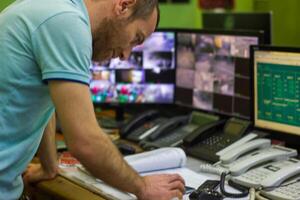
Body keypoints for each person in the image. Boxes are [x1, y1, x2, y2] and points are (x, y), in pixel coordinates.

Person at [0, 0, 185, 199]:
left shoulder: (53, 8)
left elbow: (44, 100)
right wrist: (142, 187)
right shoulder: (67, 22)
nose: (125, 55)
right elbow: (85, 142)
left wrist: (49, 165)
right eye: (135, 39)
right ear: (124, 5)